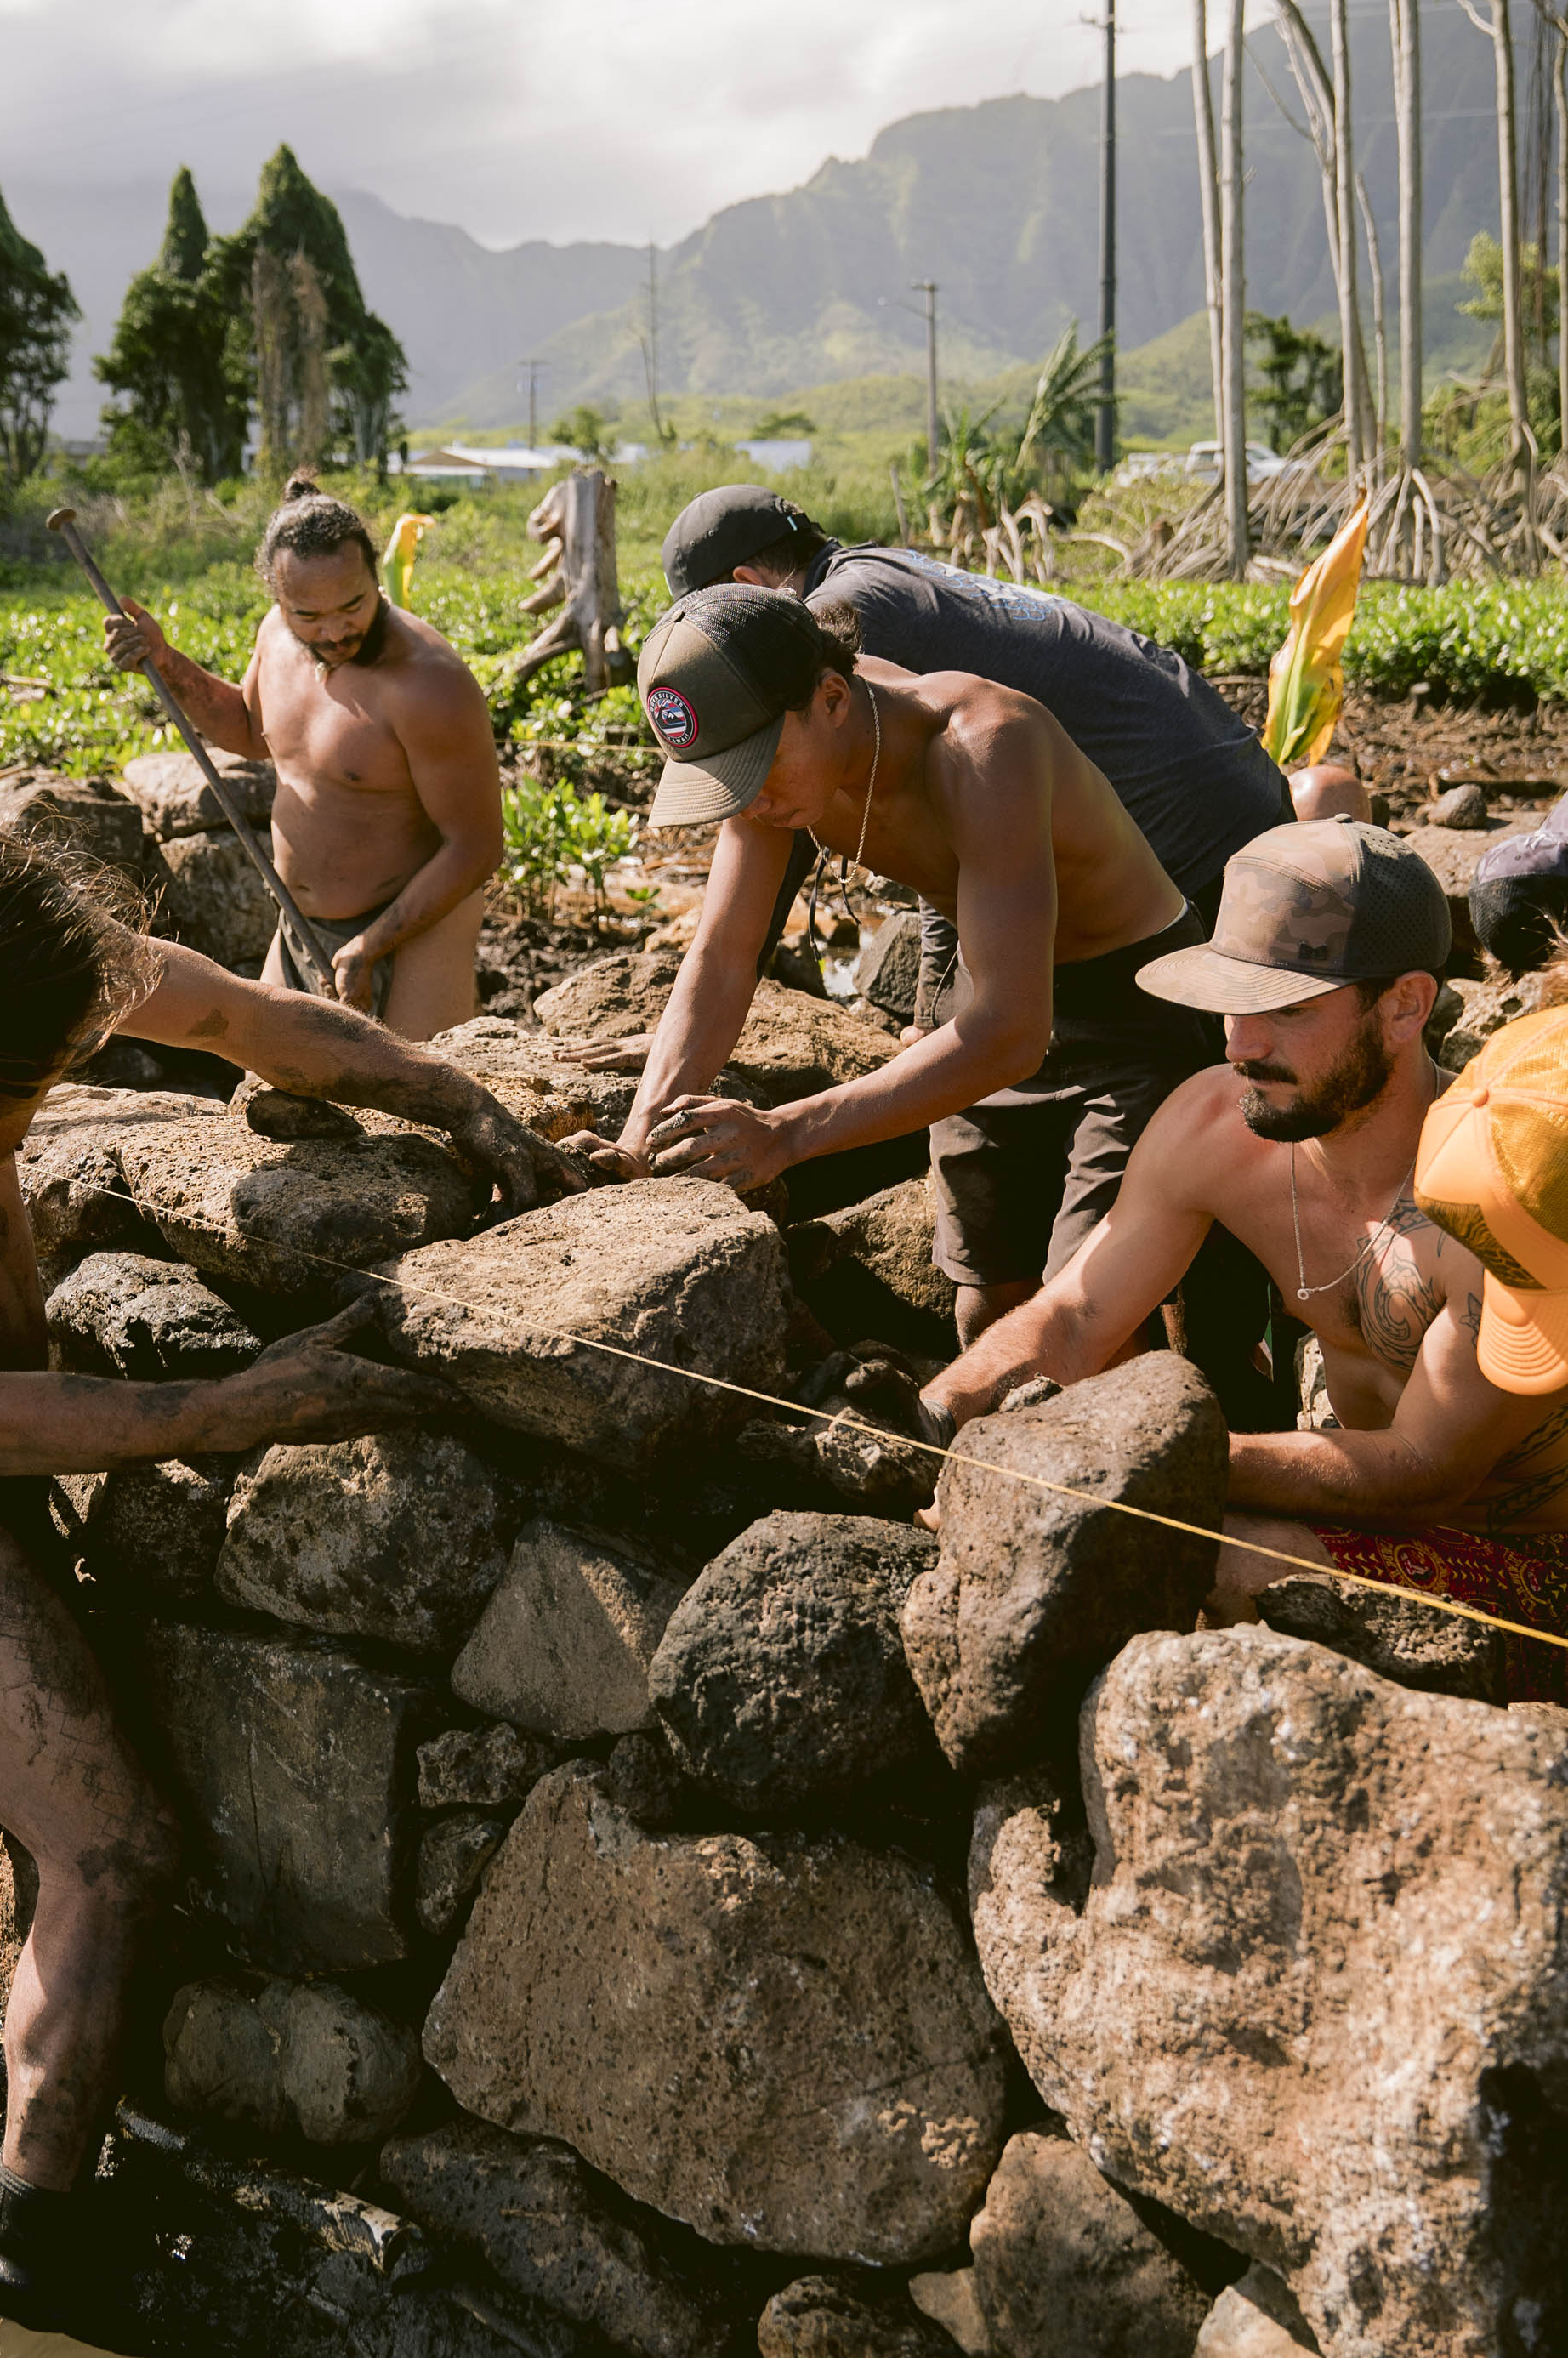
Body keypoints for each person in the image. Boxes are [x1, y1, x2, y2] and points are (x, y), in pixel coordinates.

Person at [0, 819, 596, 2330]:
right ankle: (31, 2263)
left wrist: (455, 1099)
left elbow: (243, 1020)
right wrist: (252, 1402)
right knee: (108, 1851)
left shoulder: (7, 982)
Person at [617, 484, 1293, 1356]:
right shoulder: (772, 767)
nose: (749, 798)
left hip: (1131, 1006)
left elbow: (1010, 1033)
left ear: (830, 697)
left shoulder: (982, 745)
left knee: (1079, 1322)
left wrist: (787, 1134)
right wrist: (645, 1134)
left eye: (758, 765)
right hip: (999, 989)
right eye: (725, 776)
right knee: (986, 1316)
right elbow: (722, 953)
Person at [916, 821, 1568, 1702]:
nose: (1241, 1042)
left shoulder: (1498, 1196)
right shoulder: (1218, 1123)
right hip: (1345, 1485)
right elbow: (1075, 1314)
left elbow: (1427, 1469)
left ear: (1406, 1007)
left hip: (1529, 1561)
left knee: (1208, 1560)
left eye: (1288, 1008)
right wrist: (944, 1418)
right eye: (1232, 998)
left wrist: (1146, 1460)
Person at [101, 474, 503, 1037]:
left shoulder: (427, 684)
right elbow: (248, 730)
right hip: (298, 927)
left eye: (352, 605)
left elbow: (477, 847)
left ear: (374, 576)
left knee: (417, 1108)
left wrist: (372, 944)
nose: (335, 631)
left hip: (412, 934)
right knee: (267, 1103)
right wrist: (167, 663)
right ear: (276, 596)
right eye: (308, 616)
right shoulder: (276, 636)